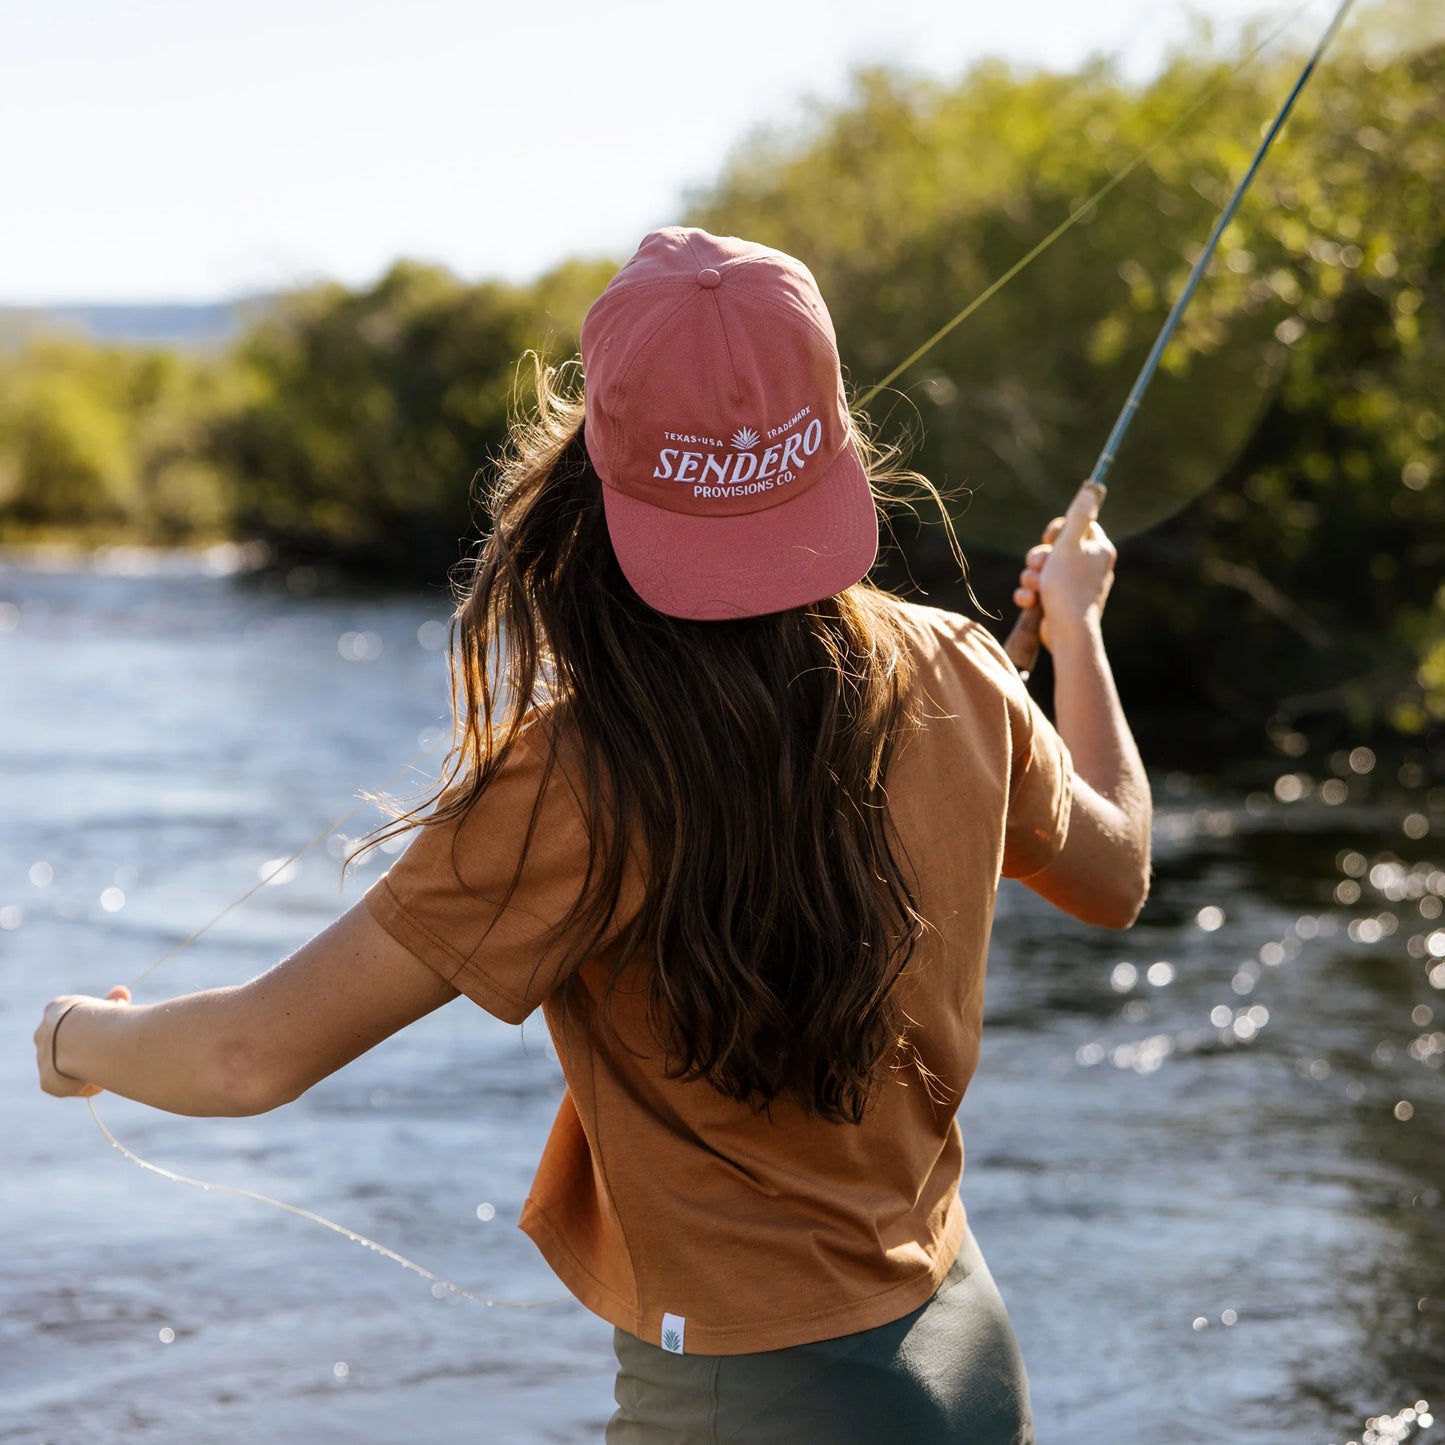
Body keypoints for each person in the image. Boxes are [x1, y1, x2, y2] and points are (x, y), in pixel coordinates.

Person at [35, 227, 1151, 1443]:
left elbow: (247, 1059)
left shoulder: (575, 776)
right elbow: (1116, 875)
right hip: (966, 1353)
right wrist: (1078, 630)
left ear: (595, 460)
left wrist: (78, 1037)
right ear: (831, 434)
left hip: (743, 1406)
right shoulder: (959, 662)